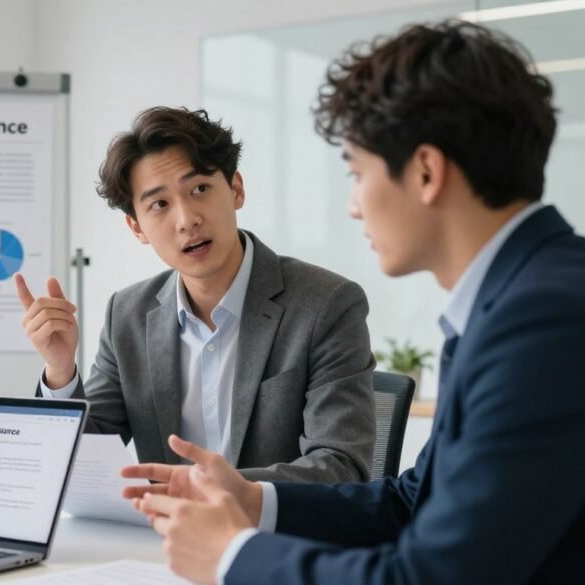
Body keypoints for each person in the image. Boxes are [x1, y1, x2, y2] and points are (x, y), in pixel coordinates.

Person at [125, 20, 585, 585]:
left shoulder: (544, 321)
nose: (353, 206)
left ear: (424, 171)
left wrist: (231, 557)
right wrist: (252, 501)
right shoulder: (517, 299)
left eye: (357, 172)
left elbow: (435, 578)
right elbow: (413, 503)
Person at [16, 106, 375, 482]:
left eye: (200, 189)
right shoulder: (127, 314)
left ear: (236, 189)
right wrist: (60, 372)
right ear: (137, 227)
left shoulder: (327, 304)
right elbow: (83, 462)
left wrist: (212, 491)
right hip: (160, 538)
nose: (187, 219)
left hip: (273, 535)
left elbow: (341, 465)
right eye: (160, 204)